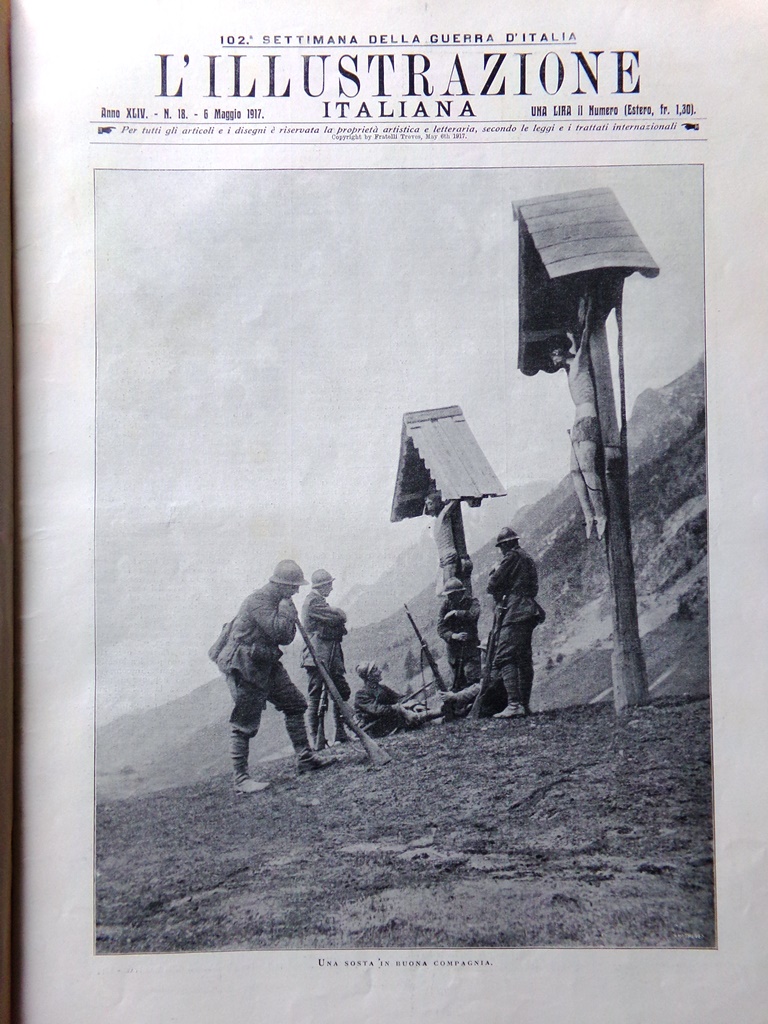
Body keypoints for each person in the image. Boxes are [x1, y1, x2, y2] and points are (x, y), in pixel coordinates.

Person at [213, 559, 336, 794]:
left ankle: (305, 758)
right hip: (245, 664)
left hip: (266, 661)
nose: (297, 590)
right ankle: (241, 779)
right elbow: (279, 631)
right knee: (245, 721)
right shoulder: (258, 601)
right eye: (294, 586)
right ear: (281, 584)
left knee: (295, 704)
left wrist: (286, 612)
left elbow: (287, 637)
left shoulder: (282, 600)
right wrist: (285, 613)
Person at [550, 316, 614, 540]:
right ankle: (589, 515)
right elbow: (578, 349)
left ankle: (601, 514)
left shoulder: (578, 363)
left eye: (554, 354)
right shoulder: (571, 368)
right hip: (578, 421)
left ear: (561, 353)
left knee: (587, 468)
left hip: (588, 417)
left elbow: (584, 344)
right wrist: (573, 342)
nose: (553, 359)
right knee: (575, 471)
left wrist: (580, 331)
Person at [486, 527, 544, 719]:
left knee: (503, 656)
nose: (501, 551)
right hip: (528, 610)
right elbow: (533, 588)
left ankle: (514, 704)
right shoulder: (527, 558)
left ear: (505, 545)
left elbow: (492, 584)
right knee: (523, 658)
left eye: (501, 547)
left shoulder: (511, 557)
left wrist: (496, 571)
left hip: (515, 611)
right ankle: (524, 705)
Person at [300, 568, 351, 747]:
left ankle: (340, 733)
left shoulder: (318, 601)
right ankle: (317, 739)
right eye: (329, 585)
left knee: (339, 691)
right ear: (322, 586)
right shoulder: (314, 602)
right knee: (316, 697)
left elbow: (336, 623)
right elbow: (336, 619)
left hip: (329, 655)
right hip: (318, 656)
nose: (331, 588)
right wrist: (339, 614)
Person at [354, 662, 436, 738]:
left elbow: (398, 698)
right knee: (411, 717)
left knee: (412, 705)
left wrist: (409, 701)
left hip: (389, 720)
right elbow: (377, 710)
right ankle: (438, 713)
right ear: (369, 676)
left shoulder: (381, 688)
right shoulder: (361, 694)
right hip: (376, 728)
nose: (380, 671)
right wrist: (396, 707)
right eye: (375, 670)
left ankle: (437, 715)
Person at [436, 577, 481, 692]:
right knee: (458, 687)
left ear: (460, 593)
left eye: (451, 595)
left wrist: (456, 613)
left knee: (473, 683)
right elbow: (440, 628)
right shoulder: (445, 605)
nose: (449, 598)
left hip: (470, 651)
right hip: (454, 654)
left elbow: (474, 615)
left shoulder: (472, 602)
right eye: (448, 595)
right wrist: (453, 636)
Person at [424, 490, 474, 593]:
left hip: (449, 557)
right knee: (441, 590)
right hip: (444, 560)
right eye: (427, 505)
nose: (429, 507)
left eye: (430, 504)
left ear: (437, 503)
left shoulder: (444, 515)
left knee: (450, 589)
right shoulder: (438, 520)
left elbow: (454, 500)